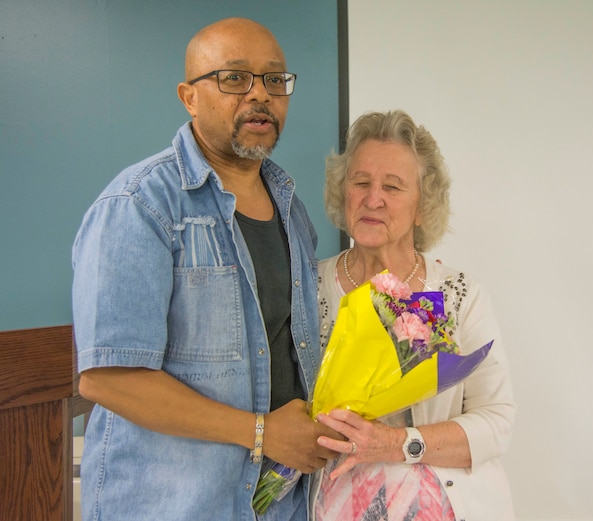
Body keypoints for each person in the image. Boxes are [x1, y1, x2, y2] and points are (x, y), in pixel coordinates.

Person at [72, 17, 340, 521]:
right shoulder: (139, 204)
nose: (259, 94)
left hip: (281, 504)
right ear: (189, 98)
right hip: (174, 506)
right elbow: (108, 379)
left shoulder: (293, 211)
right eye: (234, 78)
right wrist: (262, 433)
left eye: (274, 79)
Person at [311, 110, 516, 520]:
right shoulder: (306, 286)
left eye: (392, 186)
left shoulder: (459, 295)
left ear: (423, 207)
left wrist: (395, 444)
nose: (373, 199)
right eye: (360, 182)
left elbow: (496, 423)